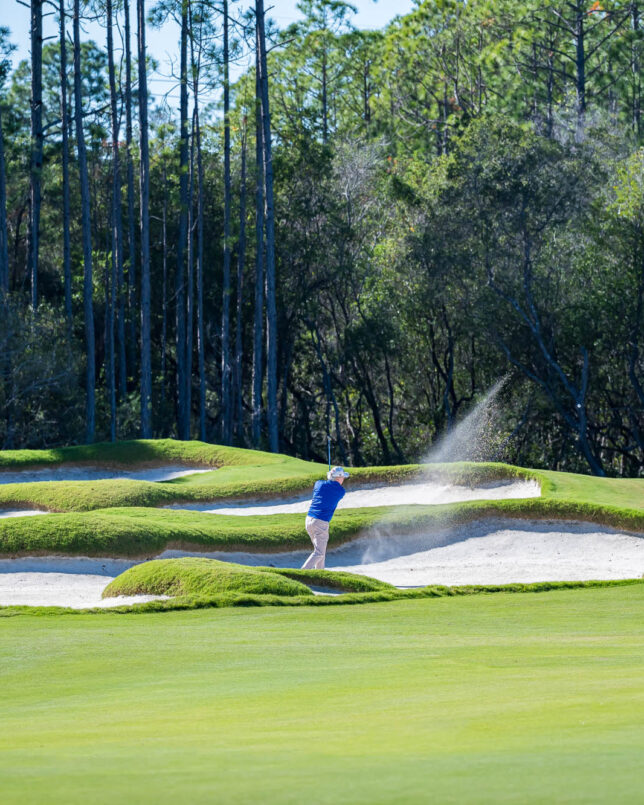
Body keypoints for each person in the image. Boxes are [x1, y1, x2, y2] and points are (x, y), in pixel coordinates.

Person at [301, 466, 350, 570]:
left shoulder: (318, 484)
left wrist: (329, 477)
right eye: (342, 477)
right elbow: (333, 487)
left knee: (319, 551)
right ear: (338, 478)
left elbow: (324, 484)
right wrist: (331, 478)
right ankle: (302, 573)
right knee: (319, 552)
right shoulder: (341, 491)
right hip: (320, 523)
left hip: (309, 520)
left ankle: (320, 573)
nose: (343, 479)